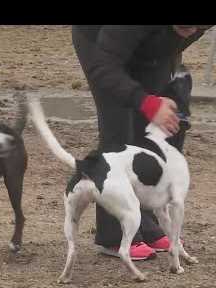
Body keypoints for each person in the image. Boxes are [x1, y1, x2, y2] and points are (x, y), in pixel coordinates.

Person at [71, 25, 213, 260]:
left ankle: (144, 222)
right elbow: (103, 67)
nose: (193, 28)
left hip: (152, 42)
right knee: (118, 133)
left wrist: (174, 39)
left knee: (147, 133)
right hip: (100, 41)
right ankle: (114, 234)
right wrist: (146, 102)